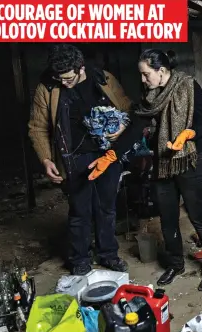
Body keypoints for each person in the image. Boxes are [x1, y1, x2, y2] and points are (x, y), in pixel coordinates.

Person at [28, 44, 134, 275]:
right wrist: (46, 159)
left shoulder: (104, 79)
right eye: (59, 78)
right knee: (80, 210)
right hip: (74, 157)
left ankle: (108, 254)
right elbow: (37, 127)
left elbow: (127, 107)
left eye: (68, 77)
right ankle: (80, 260)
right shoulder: (47, 88)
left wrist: (123, 125)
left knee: (107, 207)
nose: (64, 82)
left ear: (80, 68)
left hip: (107, 154)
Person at [135, 49, 202, 291]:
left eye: (146, 74)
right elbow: (139, 122)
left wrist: (189, 133)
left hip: (191, 158)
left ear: (161, 71)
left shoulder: (188, 87)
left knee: (198, 216)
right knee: (167, 216)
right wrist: (113, 153)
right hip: (164, 161)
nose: (143, 80)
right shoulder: (150, 95)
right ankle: (175, 263)